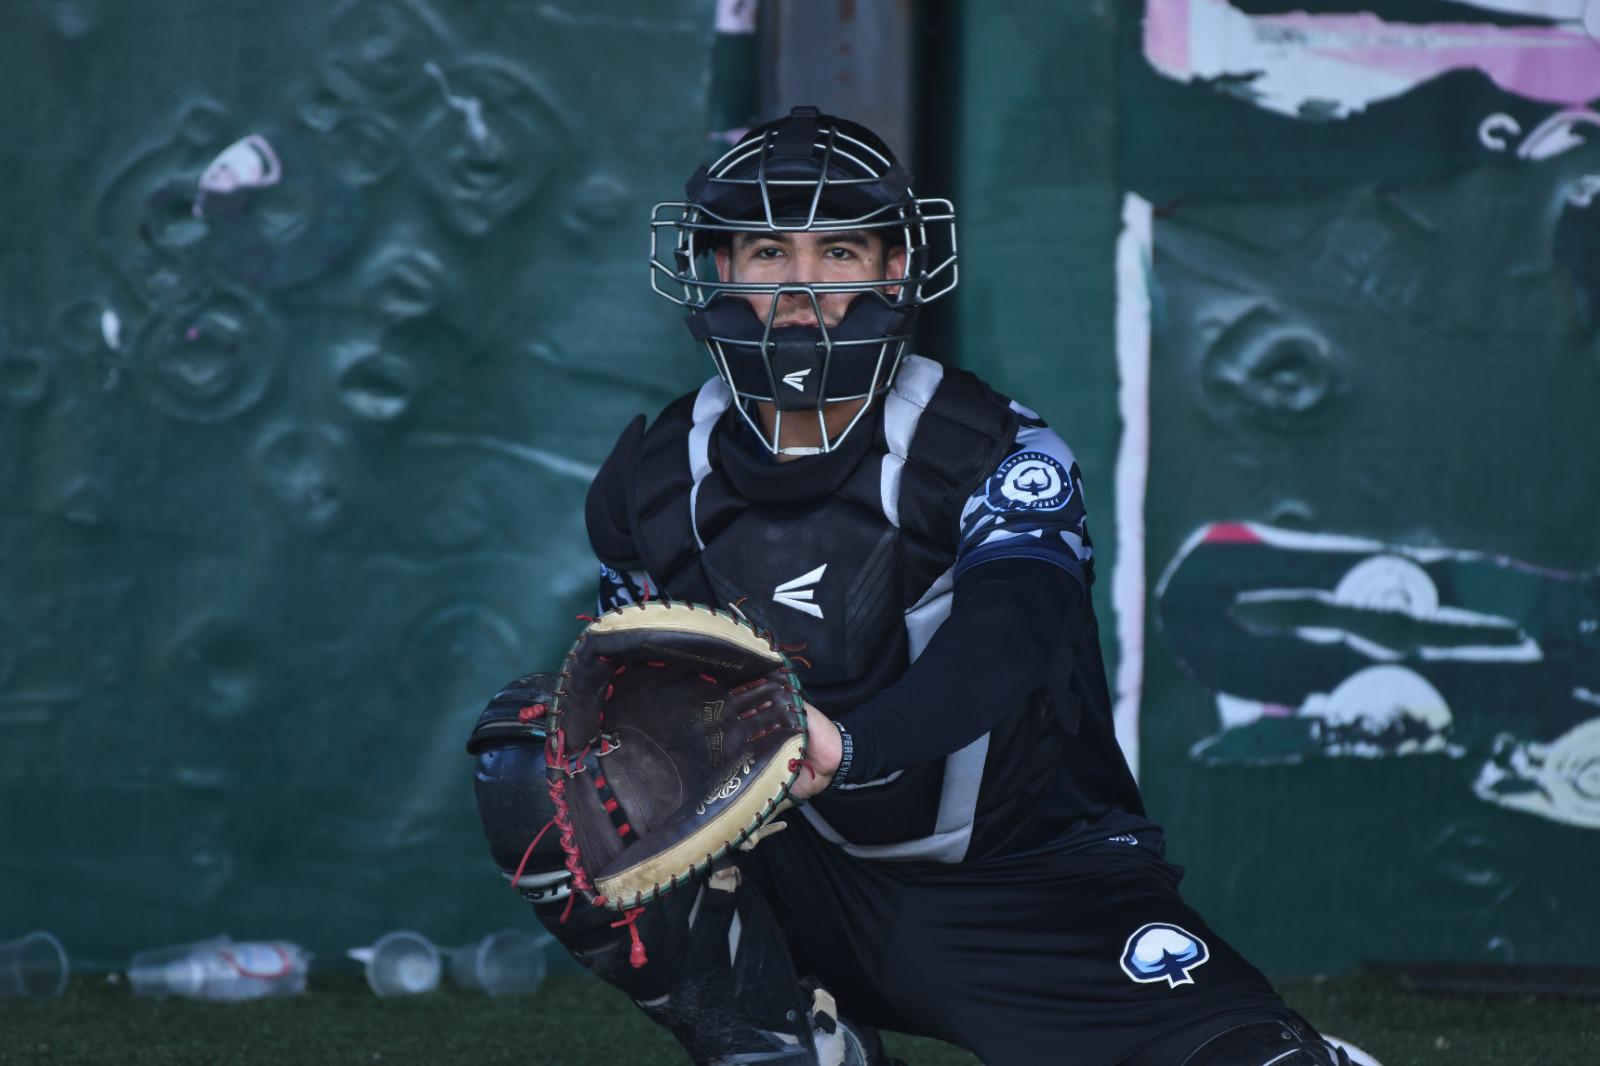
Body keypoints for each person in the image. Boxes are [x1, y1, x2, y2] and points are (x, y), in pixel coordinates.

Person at [468, 107, 1354, 1065]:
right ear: (717, 270)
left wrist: (852, 745)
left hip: (1025, 885)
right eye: (767, 250)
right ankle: (782, 1038)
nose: (801, 288)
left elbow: (1013, 628)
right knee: (540, 754)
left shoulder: (987, 448)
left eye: (838, 251)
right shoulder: (649, 484)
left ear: (895, 270)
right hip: (805, 871)